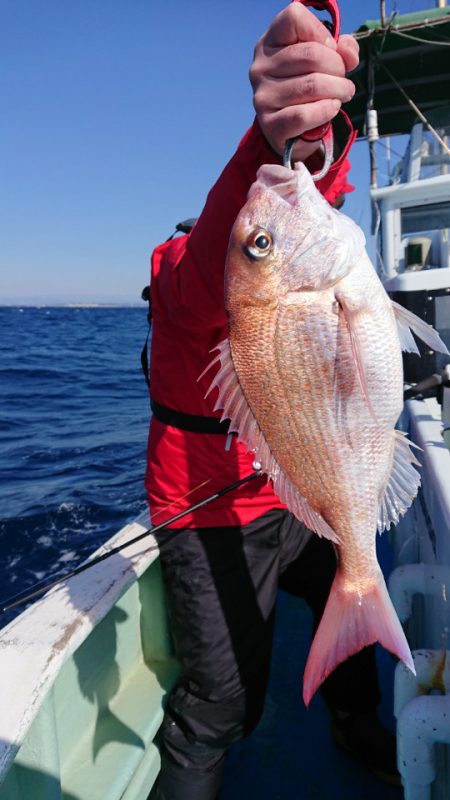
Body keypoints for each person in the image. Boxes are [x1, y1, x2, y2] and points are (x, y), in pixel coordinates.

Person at [145, 4, 399, 798]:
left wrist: (314, 139)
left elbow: (310, 196)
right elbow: (231, 245)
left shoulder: (295, 260)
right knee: (222, 702)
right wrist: (264, 139)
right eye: (245, 239)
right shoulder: (186, 276)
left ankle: (358, 725)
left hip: (298, 486)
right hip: (209, 514)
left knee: (349, 616)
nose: (259, 222)